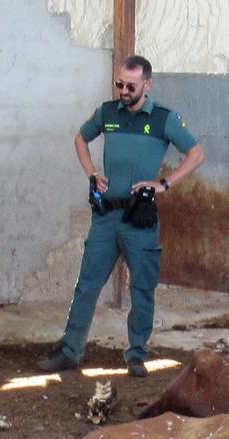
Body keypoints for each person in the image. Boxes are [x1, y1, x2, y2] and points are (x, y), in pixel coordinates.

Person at [38, 55, 205, 378]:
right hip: (106, 216)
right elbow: (80, 138)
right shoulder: (107, 113)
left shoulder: (163, 118)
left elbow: (196, 154)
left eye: (130, 86)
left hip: (138, 216)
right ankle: (70, 351)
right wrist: (92, 174)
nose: (123, 91)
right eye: (119, 84)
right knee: (87, 284)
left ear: (147, 84)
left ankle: (136, 355)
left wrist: (164, 184)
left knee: (141, 287)